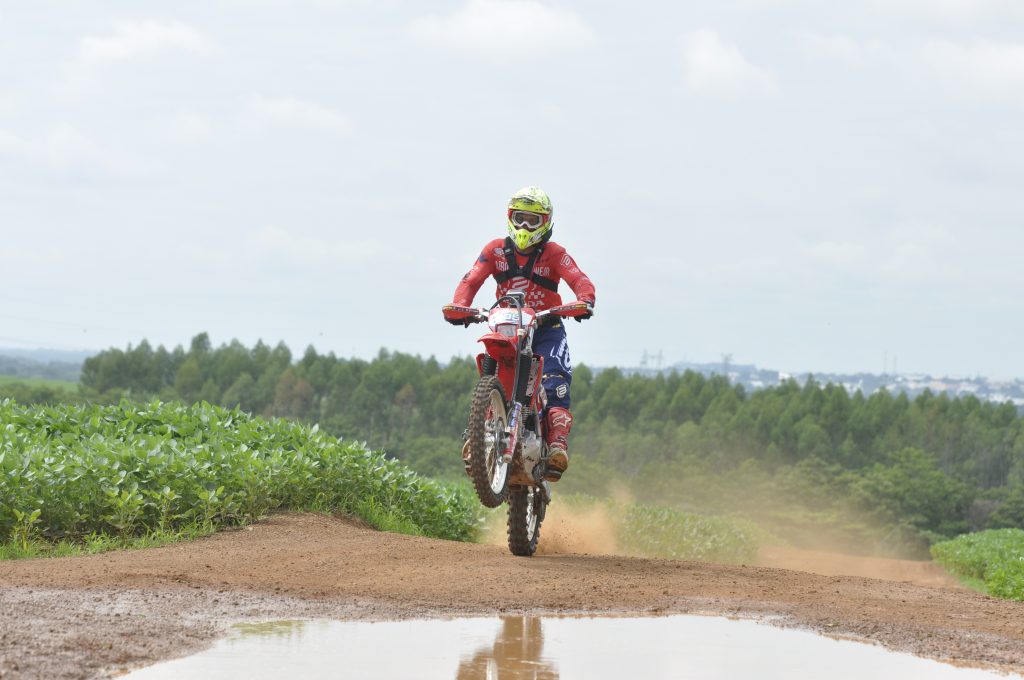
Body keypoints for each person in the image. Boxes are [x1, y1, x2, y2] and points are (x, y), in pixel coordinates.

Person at [443, 186, 596, 481]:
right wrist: (460, 306)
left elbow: (579, 279)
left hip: (545, 328)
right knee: (491, 372)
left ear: (546, 222)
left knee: (555, 383)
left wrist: (585, 300)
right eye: (520, 218)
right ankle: (478, 435)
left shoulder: (555, 254)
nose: (525, 226)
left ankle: (557, 446)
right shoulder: (495, 250)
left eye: (533, 220)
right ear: (510, 218)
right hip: (507, 326)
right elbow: (470, 280)